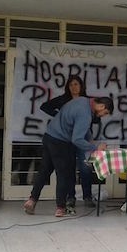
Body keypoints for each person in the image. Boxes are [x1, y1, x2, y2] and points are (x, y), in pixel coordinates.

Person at [23, 96, 110, 217]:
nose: (102, 116)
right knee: (64, 174)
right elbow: (77, 139)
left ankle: (32, 200)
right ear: (101, 106)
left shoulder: (81, 101)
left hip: (49, 136)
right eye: (104, 113)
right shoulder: (86, 115)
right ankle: (60, 207)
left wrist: (90, 140)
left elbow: (83, 129)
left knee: (44, 171)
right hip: (61, 142)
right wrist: (95, 148)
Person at [34, 75, 96, 208]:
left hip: (82, 138)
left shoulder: (87, 101)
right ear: (68, 87)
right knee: (69, 169)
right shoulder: (64, 99)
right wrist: (59, 115)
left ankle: (87, 196)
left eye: (76, 84)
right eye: (71, 85)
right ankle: (70, 197)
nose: (74, 87)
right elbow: (45, 106)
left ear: (81, 86)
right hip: (66, 140)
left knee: (85, 167)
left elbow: (96, 117)